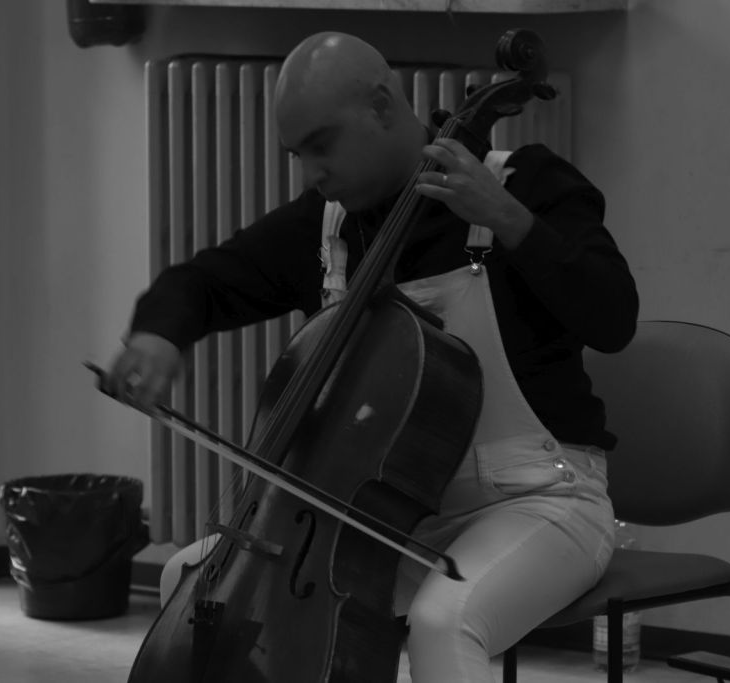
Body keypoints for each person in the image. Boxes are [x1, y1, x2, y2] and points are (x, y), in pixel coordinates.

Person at [102, 31, 638, 683]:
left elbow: (614, 317)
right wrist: (158, 334)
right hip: (397, 519)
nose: (312, 173)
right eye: (299, 155)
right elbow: (206, 281)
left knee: (446, 621)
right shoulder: (328, 225)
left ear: (382, 106)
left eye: (322, 145)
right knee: (192, 583)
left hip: (543, 500)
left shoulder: (525, 184)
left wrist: (508, 218)